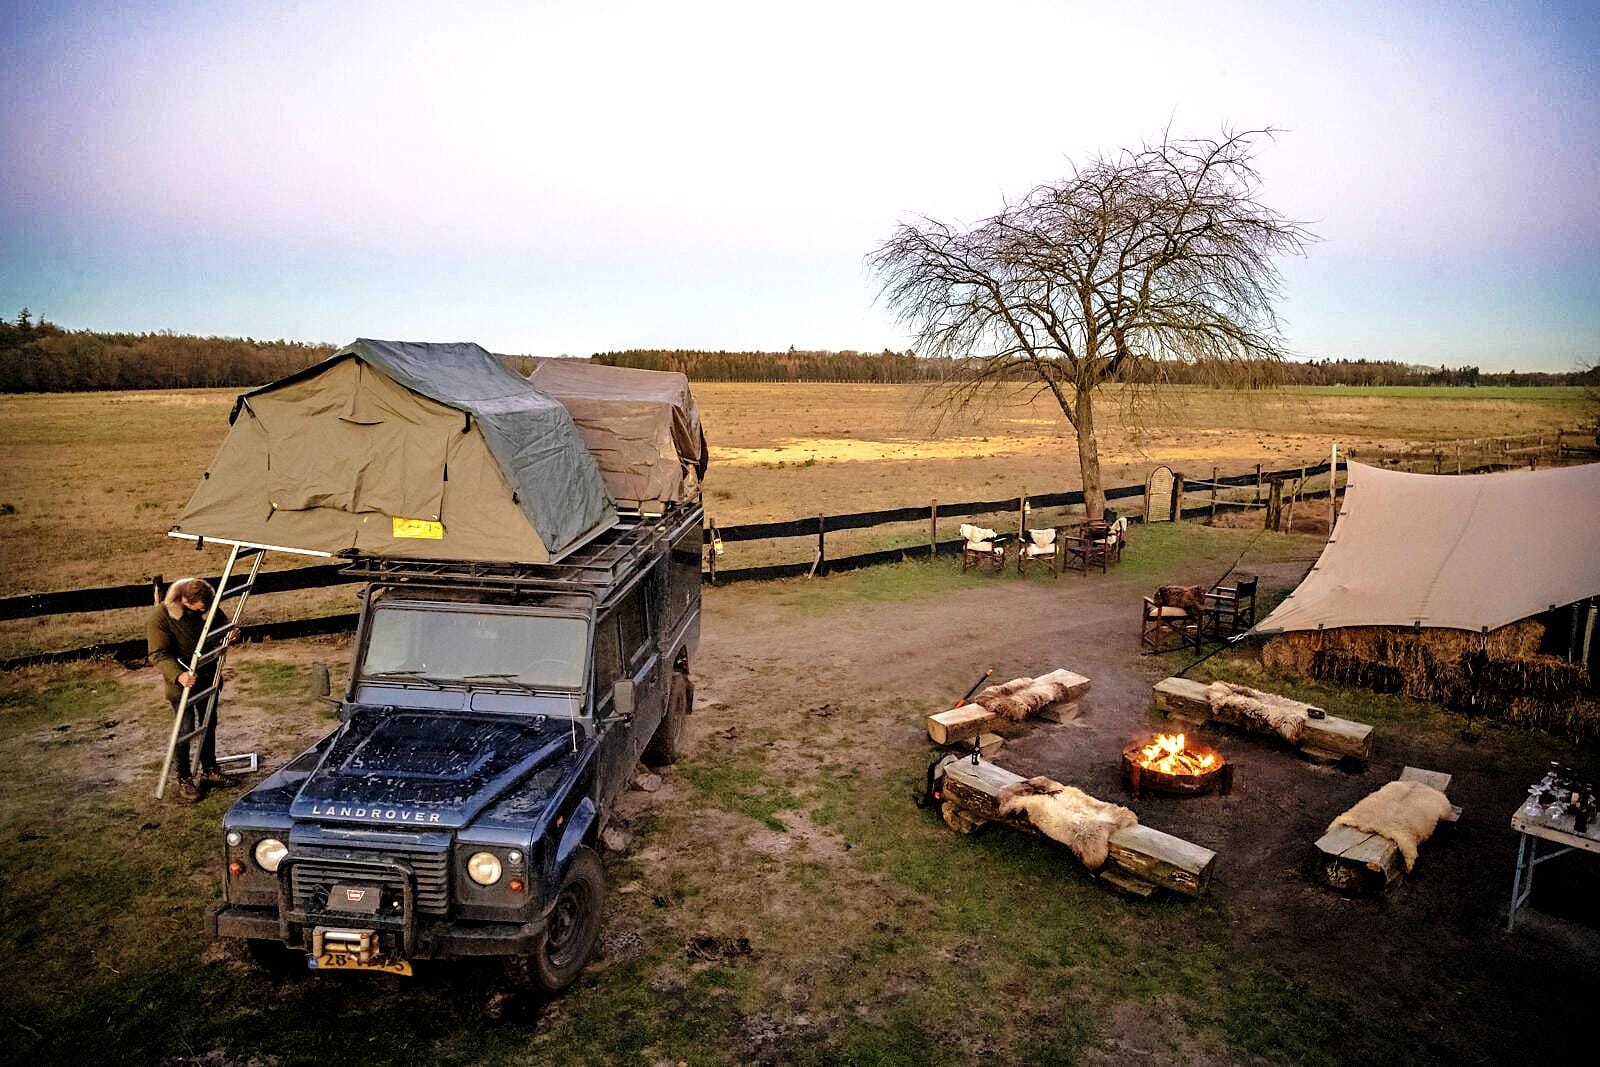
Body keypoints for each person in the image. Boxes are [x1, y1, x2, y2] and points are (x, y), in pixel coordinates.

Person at [146, 577, 232, 802]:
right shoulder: (161, 617)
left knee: (208, 723)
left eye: (207, 605)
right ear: (184, 599)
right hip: (183, 683)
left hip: (208, 677)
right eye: (199, 607)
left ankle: (210, 770)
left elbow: (221, 627)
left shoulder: (207, 605)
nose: (205, 610)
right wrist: (179, 675)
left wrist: (229, 634)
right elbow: (157, 654)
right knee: (185, 730)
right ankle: (184, 778)